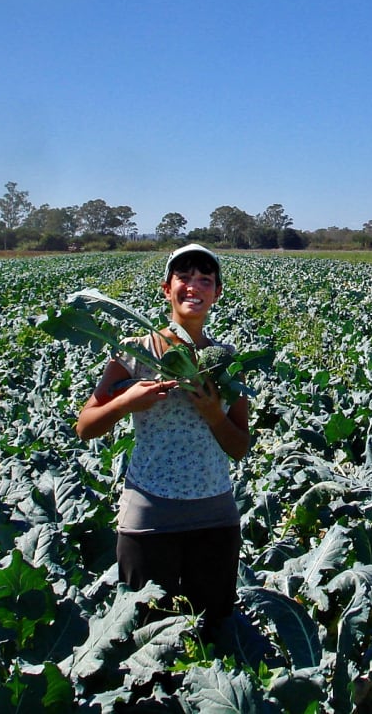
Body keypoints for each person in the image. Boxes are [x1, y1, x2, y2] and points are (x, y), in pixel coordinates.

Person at [76, 243, 250, 635]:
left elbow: (239, 447)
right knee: (146, 635)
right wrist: (124, 401)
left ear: (217, 293)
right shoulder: (133, 353)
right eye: (183, 278)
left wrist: (212, 415)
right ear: (166, 288)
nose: (194, 287)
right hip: (150, 517)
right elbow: (85, 426)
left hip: (215, 516)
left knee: (215, 630)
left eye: (205, 280)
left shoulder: (224, 358)